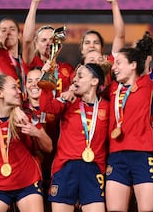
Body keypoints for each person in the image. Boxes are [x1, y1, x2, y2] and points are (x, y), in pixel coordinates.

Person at [105, 11, 153, 212]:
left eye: (118, 63)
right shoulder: (111, 88)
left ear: (133, 65)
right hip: (116, 156)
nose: (114, 67)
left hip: (144, 156)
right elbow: (118, 36)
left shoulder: (149, 83)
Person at [0, 74, 52, 212]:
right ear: (0, 93)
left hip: (27, 182)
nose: (19, 91)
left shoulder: (27, 114)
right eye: (14, 88)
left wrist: (36, 132)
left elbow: (49, 147)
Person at [39, 63, 109, 212]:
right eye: (75, 76)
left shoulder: (106, 107)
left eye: (81, 76)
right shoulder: (68, 101)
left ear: (94, 81)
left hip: (93, 169)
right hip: (66, 167)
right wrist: (45, 80)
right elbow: (47, 107)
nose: (75, 79)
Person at [22, 0, 73, 97]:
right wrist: (34, 4)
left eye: (52, 40)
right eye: (43, 40)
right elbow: (27, 40)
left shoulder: (67, 69)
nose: (48, 43)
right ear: (36, 44)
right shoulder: (32, 64)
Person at [22, 67, 58, 212]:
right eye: (29, 81)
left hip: (52, 172)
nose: (33, 84)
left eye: (38, 80)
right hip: (28, 176)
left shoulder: (56, 107)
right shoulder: (19, 110)